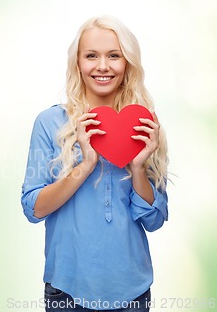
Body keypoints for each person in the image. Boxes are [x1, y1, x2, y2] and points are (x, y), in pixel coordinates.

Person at [21, 16, 169, 312]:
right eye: (92, 56)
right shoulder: (50, 123)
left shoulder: (144, 125)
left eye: (114, 55)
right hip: (67, 289)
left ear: (127, 63)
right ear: (77, 63)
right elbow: (33, 208)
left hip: (132, 290)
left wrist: (138, 167)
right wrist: (86, 164)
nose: (103, 66)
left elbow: (154, 221)